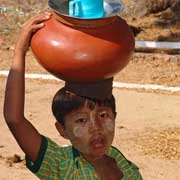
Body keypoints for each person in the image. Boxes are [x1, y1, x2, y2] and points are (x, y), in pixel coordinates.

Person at [3, 12, 143, 180]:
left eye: (104, 115)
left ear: (115, 117)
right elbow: (14, 118)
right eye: (81, 120)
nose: (96, 127)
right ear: (63, 130)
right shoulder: (61, 165)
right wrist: (20, 51)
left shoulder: (122, 164)